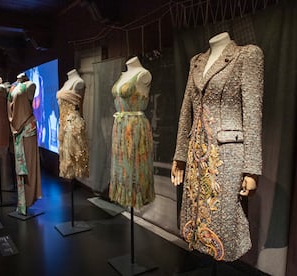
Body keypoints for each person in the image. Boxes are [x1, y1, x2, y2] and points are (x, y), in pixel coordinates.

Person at [171, 32, 264, 261]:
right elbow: (186, 111)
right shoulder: (197, 61)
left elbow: (253, 113)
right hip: (196, 152)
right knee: (196, 215)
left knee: (223, 218)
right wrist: (180, 155)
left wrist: (252, 168)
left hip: (227, 154)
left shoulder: (247, 55)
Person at [109, 56, 155, 209]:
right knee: (121, 166)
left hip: (135, 127)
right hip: (120, 127)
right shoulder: (123, 75)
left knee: (134, 165)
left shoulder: (143, 74)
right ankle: (123, 194)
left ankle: (136, 195)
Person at [8, 72, 42, 215]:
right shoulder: (14, 87)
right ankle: (22, 203)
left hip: (27, 129)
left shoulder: (29, 85)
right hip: (19, 130)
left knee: (30, 166)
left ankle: (28, 200)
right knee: (22, 167)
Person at [56, 69, 89, 179]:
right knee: (64, 155)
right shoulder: (67, 83)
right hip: (63, 123)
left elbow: (81, 106)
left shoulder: (79, 82)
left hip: (72, 123)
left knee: (72, 155)